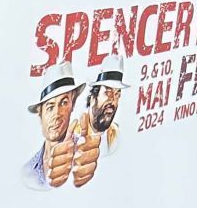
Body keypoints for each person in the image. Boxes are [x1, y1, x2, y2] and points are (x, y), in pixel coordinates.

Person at [23, 63, 84, 189]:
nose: (56, 114)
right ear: (40, 114)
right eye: (50, 107)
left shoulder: (83, 154)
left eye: (64, 103)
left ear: (73, 104)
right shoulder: (29, 169)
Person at [71, 58, 124, 187]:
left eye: (117, 95)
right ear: (93, 97)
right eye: (108, 93)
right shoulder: (73, 135)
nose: (113, 101)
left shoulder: (115, 133)